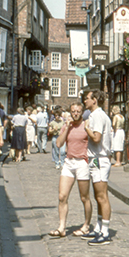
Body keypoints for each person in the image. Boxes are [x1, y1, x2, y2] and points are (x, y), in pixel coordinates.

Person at [48, 102, 93, 238]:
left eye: (78, 111)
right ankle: (62, 227)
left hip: (82, 162)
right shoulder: (67, 125)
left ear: (82, 112)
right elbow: (59, 143)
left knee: (84, 197)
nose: (75, 113)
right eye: (73, 111)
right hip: (69, 161)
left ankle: (86, 225)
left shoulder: (86, 124)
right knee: (62, 196)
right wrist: (67, 127)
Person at [82, 90, 114, 245]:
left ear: (94, 100)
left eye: (86, 98)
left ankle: (105, 232)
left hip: (100, 159)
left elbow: (96, 138)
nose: (84, 101)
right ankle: (99, 227)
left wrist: (86, 127)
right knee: (97, 195)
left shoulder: (96, 116)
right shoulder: (96, 115)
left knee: (102, 196)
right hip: (95, 159)